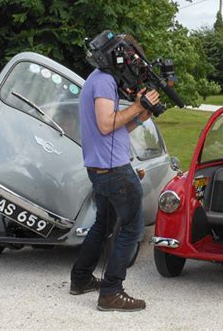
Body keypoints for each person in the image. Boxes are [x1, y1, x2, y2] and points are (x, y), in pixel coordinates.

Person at [70, 35, 159, 312]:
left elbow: (109, 130)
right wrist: (139, 105)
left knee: (103, 224)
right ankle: (111, 292)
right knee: (132, 228)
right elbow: (107, 124)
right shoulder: (105, 82)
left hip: (100, 168)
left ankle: (81, 279)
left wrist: (138, 118)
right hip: (114, 171)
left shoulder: (95, 79)